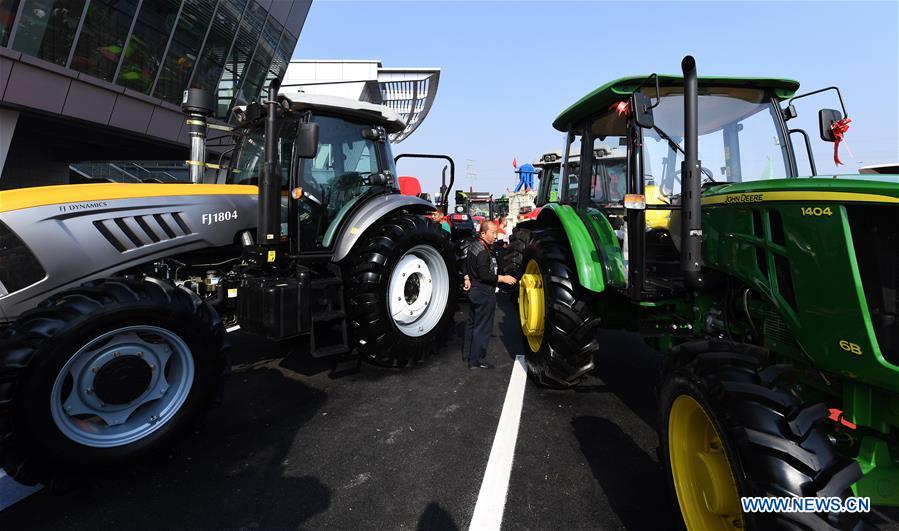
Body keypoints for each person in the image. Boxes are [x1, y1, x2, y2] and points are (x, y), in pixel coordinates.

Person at [463, 221, 517, 369]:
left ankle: (468, 355)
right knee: (483, 328)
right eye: (492, 233)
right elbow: (485, 275)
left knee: (472, 324)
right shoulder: (482, 251)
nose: (495, 236)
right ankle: (476, 360)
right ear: (483, 234)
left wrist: (467, 277)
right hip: (483, 291)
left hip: (475, 290)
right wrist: (503, 278)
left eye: (496, 232)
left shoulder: (474, 245)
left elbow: (466, 263)